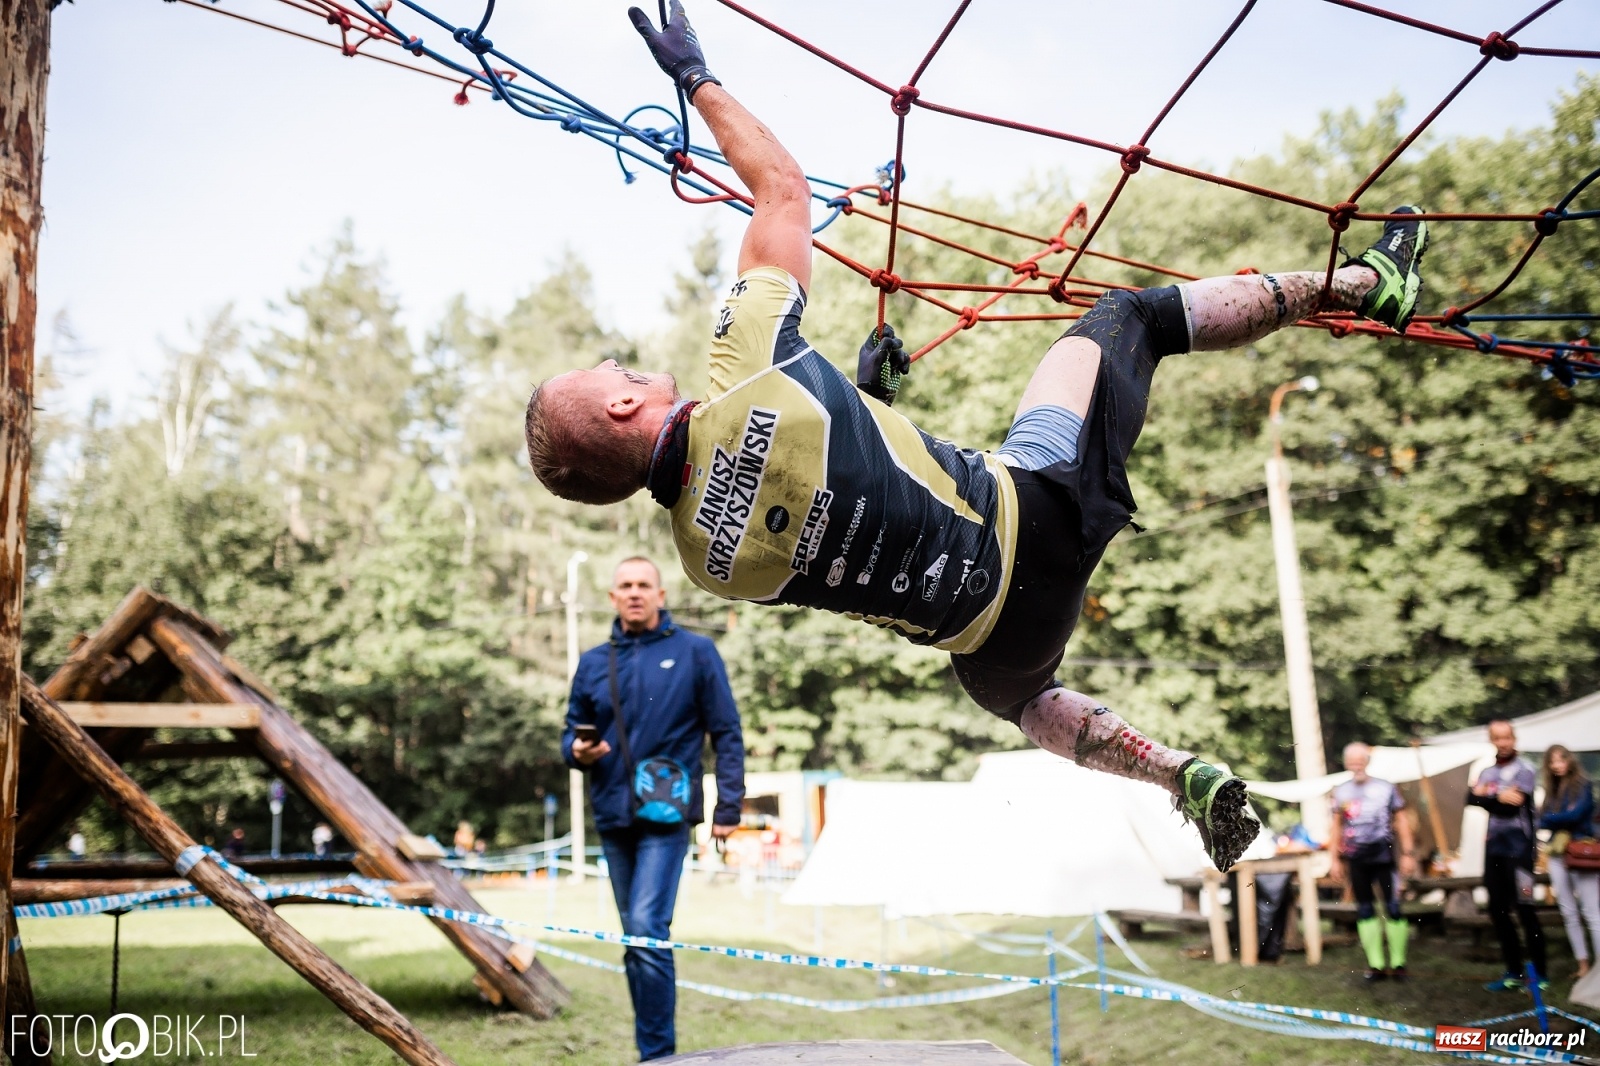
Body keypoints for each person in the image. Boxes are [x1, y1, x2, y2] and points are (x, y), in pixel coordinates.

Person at [526, 2, 1433, 872]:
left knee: (1017, 698)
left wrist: (863, 394)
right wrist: (696, 77)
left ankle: (1174, 773)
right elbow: (782, 191)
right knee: (1127, 320)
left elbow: (835, 516)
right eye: (609, 374)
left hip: (999, 639)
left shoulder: (705, 564)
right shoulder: (748, 358)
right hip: (1031, 515)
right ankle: (1364, 284)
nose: (623, 364)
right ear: (617, 412)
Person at [563, 556, 745, 1061]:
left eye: (645, 585)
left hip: (667, 818)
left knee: (646, 930)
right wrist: (575, 751)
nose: (635, 593)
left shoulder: (696, 653)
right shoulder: (594, 662)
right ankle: (655, 1052)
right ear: (613, 598)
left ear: (661, 595)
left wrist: (727, 808)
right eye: (625, 585)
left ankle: (658, 1056)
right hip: (613, 814)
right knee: (637, 939)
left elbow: (726, 733)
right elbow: (570, 730)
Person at [1328, 742, 1417, 982]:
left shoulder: (1385, 788)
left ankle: (1398, 963)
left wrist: (1408, 854)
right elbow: (1336, 827)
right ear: (1346, 763)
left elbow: (1401, 820)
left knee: (1393, 908)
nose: (1356, 764)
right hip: (1356, 858)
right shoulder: (1341, 791)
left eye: (1360, 759)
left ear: (1367, 761)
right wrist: (1334, 859)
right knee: (1365, 909)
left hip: (1384, 856)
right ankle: (1375, 965)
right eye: (1352, 760)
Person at [1469, 719, 1547, 992]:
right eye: (1497, 738)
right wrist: (1497, 795)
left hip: (1521, 849)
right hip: (1495, 850)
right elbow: (1470, 799)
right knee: (1497, 910)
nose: (1503, 743)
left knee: (1525, 909)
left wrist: (1487, 796)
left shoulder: (1525, 769)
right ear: (1491, 740)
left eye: (1507, 738)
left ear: (1514, 739)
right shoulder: (1488, 771)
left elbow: (1511, 807)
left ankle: (1540, 973)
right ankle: (1513, 971)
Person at [1539, 744, 1599, 978]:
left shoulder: (1583, 785)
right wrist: (1555, 819)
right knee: (1568, 911)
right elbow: (1540, 819)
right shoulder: (1551, 789)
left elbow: (1577, 815)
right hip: (1557, 852)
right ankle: (1582, 965)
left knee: (1592, 911)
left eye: (1561, 760)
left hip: (1581, 850)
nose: (1557, 765)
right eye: (1552, 762)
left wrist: (1551, 818)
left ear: (1569, 760)